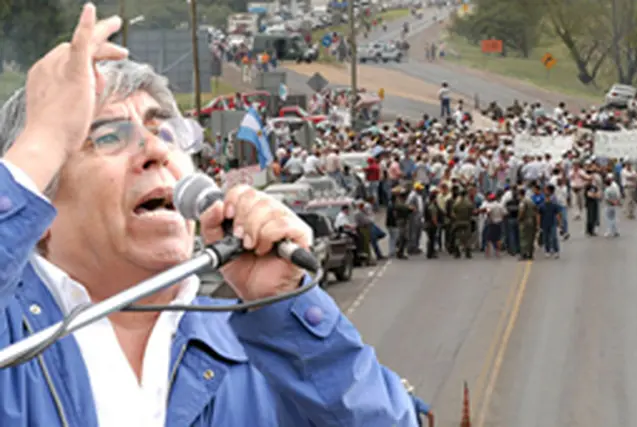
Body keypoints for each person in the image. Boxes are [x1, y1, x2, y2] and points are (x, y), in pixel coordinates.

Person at [0, 5, 417, 426]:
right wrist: (39, 142)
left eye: (164, 132)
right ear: (38, 203)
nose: (155, 151)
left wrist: (285, 310)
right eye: (108, 136)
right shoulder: (14, 346)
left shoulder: (260, 352)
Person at [451, 189, 474, 259]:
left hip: (458, 222)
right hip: (466, 222)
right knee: (467, 238)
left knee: (458, 237)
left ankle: (457, 252)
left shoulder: (456, 204)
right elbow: (471, 212)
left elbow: (453, 212)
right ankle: (468, 252)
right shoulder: (469, 203)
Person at [517, 188, 538, 260]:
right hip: (531, 221)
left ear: (520, 194)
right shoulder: (530, 200)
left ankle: (523, 254)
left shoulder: (523, 201)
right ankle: (530, 254)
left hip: (525, 221)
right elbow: (535, 209)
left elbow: (522, 211)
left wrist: (519, 219)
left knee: (523, 238)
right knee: (530, 238)